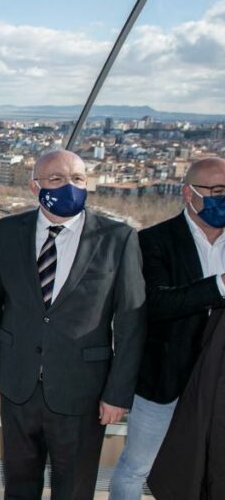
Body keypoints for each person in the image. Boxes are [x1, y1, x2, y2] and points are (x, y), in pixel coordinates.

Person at [0, 149, 145, 500]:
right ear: (36, 186)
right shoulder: (9, 231)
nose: (70, 187)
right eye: (57, 179)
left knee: (74, 489)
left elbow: (131, 322)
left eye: (78, 179)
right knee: (19, 484)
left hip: (83, 391)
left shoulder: (117, 239)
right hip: (18, 385)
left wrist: (117, 394)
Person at [110, 157, 225, 499]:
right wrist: (218, 285)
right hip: (166, 381)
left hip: (220, 382)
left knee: (212, 467)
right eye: (217, 190)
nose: (223, 198)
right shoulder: (153, 241)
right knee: (136, 469)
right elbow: (156, 304)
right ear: (188, 193)